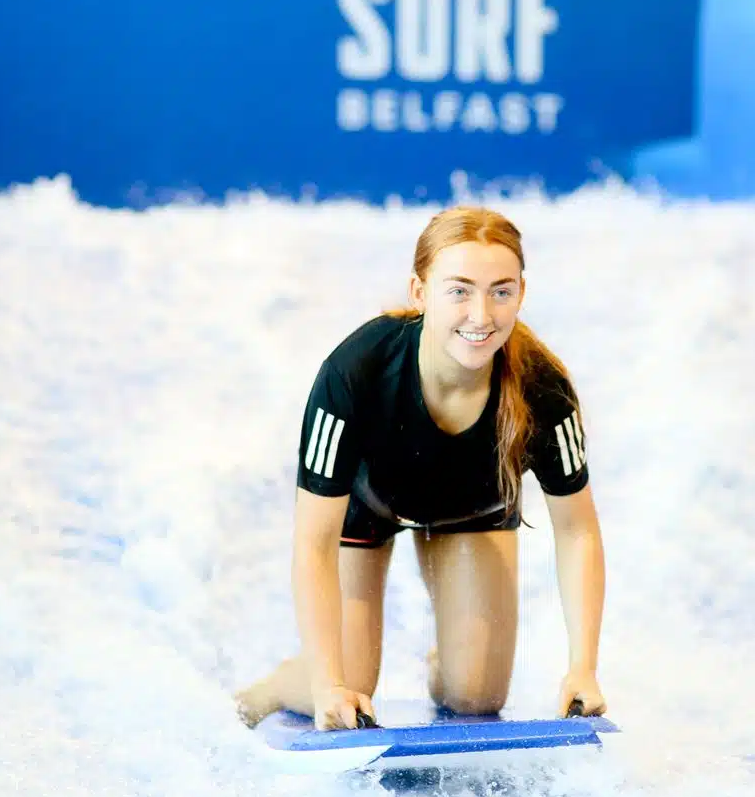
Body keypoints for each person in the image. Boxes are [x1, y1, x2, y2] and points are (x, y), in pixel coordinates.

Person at [234, 205, 607, 732]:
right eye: (459, 291)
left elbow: (578, 531)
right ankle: (277, 685)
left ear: (522, 293)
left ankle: (455, 655)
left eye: (500, 291)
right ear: (420, 292)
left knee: (476, 695)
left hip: (472, 508)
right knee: (349, 682)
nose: (481, 315)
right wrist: (326, 684)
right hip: (365, 508)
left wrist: (583, 669)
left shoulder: (542, 389)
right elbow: (313, 543)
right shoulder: (354, 374)